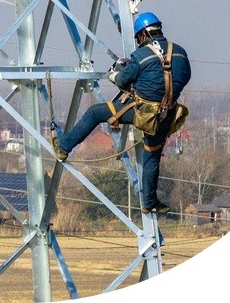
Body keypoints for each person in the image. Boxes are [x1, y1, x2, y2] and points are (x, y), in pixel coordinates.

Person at [50, 11, 191, 215]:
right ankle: (149, 202)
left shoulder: (141, 56)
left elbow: (123, 80)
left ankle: (63, 147)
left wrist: (114, 74)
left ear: (143, 35)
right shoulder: (180, 52)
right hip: (166, 114)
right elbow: (184, 77)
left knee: (95, 113)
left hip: (141, 112)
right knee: (152, 155)